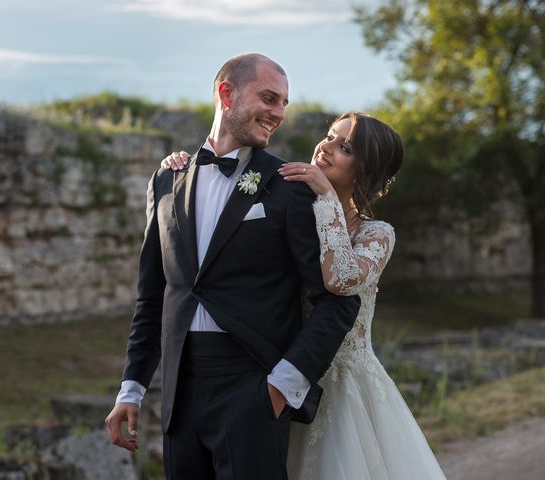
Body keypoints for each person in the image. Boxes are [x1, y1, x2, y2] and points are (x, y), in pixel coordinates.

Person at [105, 53, 360, 480]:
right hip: (178, 392)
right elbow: (153, 296)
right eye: (269, 98)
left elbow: (337, 303)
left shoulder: (289, 186)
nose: (278, 113)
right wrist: (131, 388)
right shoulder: (166, 180)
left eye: (283, 103)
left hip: (254, 387)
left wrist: (282, 388)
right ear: (227, 93)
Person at [162, 112, 448, 479]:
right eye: (329, 135)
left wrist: (328, 198)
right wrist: (181, 169)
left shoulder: (378, 234)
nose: (325, 147)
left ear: (367, 169)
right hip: (277, 379)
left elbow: (340, 280)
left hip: (345, 389)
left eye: (344, 146)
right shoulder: (292, 207)